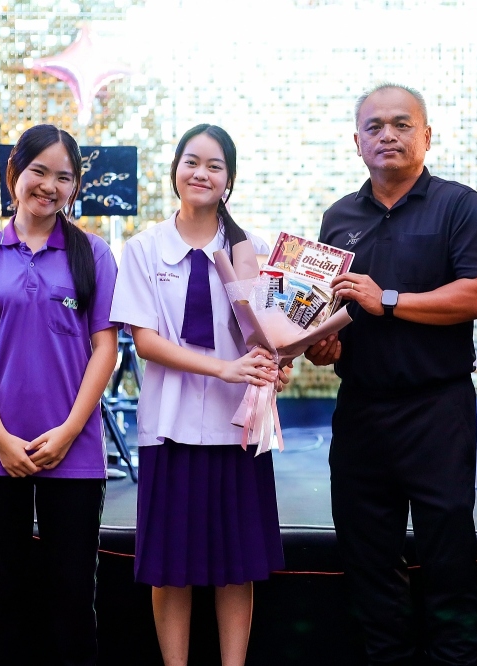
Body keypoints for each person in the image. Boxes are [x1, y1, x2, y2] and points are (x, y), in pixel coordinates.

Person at [306, 83, 477, 665]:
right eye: (374, 127)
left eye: (401, 124)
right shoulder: (338, 217)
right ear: (357, 141)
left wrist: (388, 299)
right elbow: (326, 315)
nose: (387, 135)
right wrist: (320, 346)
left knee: (449, 557)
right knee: (367, 559)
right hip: (361, 409)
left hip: (436, 408)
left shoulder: (458, 205)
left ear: (426, 135)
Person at [0, 124, 119, 666]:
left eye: (63, 177)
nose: (49, 185)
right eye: (39, 171)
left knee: (73, 601)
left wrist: (68, 432)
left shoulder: (95, 255)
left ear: (75, 187)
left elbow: (105, 351)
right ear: (14, 174)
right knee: (0, 601)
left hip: (74, 452)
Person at [109, 123, 284, 666]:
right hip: (169, 426)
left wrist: (275, 367)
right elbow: (145, 342)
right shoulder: (143, 249)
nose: (201, 173)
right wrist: (225, 368)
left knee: (238, 565)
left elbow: (274, 337)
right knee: (170, 567)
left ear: (229, 179)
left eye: (214, 165)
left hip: (238, 429)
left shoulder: (254, 250)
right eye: (191, 161)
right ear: (175, 171)